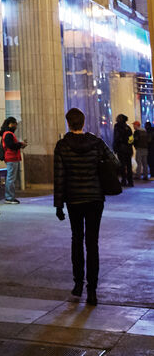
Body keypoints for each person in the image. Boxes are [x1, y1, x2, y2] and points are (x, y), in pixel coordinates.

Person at [54, 106, 119, 306]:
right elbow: (115, 162)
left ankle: (78, 285)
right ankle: (92, 290)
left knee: (77, 240)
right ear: (83, 122)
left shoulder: (62, 146)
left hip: (74, 199)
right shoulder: (96, 142)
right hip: (95, 198)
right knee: (92, 243)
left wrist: (58, 205)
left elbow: (59, 176)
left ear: (68, 123)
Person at [0, 117, 27, 203]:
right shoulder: (8, 134)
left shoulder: (7, 133)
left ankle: (10, 197)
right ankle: (9, 197)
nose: (16, 126)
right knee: (10, 178)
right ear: (10, 124)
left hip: (12, 158)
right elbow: (11, 145)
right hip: (11, 158)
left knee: (11, 178)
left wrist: (19, 144)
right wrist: (20, 144)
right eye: (15, 124)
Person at [112, 113, 133, 187]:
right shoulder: (128, 127)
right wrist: (129, 145)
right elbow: (131, 139)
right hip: (128, 149)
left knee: (122, 165)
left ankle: (124, 181)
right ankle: (130, 182)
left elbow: (116, 138)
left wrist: (114, 147)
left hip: (121, 149)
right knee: (129, 165)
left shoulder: (117, 126)